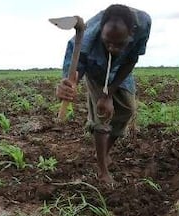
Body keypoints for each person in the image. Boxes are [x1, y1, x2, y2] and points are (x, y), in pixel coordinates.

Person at [56, 4, 151, 183]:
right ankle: (102, 171)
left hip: (121, 68)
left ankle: (105, 152)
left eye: (119, 43)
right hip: (95, 68)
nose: (112, 48)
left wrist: (109, 94)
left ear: (132, 32)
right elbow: (74, 72)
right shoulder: (86, 40)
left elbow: (132, 59)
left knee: (127, 110)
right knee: (102, 115)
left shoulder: (144, 24)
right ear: (101, 32)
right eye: (107, 42)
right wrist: (68, 85)